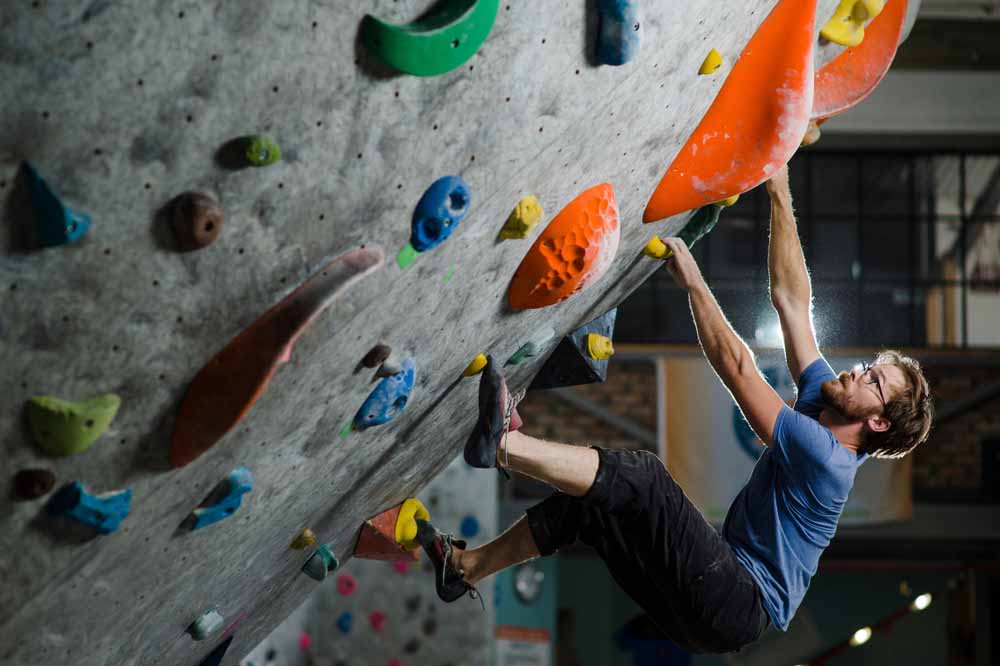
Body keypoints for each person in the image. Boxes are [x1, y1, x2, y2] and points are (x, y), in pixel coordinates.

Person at [415, 164, 934, 653]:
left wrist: (693, 282)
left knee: (643, 478)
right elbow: (794, 303)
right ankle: (465, 568)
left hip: (734, 603)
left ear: (878, 421)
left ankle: (503, 444)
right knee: (592, 506)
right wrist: (778, 187)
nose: (857, 371)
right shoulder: (828, 397)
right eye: (869, 365)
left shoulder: (827, 457)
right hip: (713, 601)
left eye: (873, 379)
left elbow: (738, 368)